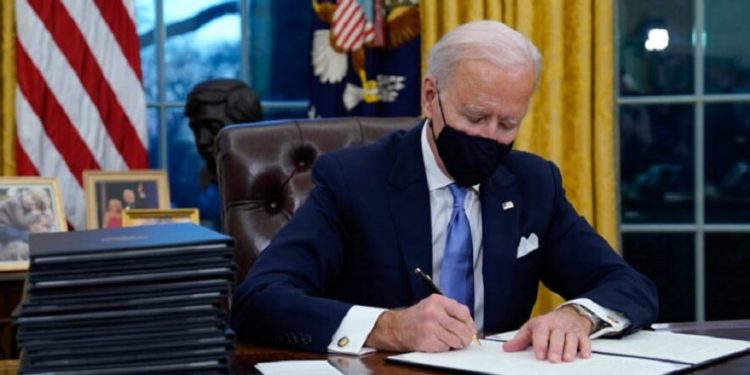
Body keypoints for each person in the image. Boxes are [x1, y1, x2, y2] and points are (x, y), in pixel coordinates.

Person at [231, 20, 658, 363]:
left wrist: (577, 314)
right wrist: (388, 327)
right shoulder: (353, 180)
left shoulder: (533, 184)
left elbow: (628, 284)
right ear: (430, 96)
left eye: (508, 124)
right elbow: (258, 300)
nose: (490, 137)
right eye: (475, 117)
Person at [184, 79, 263, 228]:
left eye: (214, 128)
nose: (202, 140)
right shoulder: (188, 185)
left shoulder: (276, 182)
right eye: (195, 130)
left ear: (246, 129)